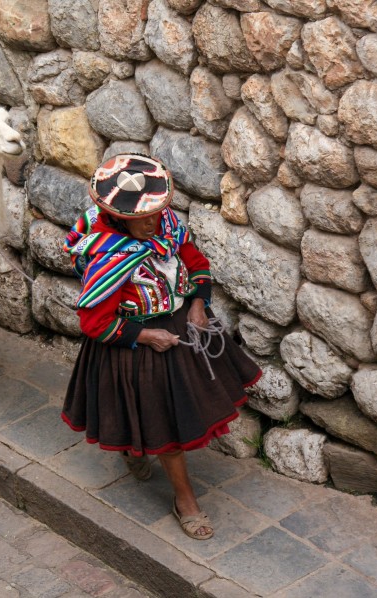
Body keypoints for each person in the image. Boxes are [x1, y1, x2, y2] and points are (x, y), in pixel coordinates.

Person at [62, 154, 262, 540]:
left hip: (179, 328)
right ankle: (185, 499)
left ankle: (135, 448)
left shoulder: (167, 225)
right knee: (163, 422)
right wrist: (145, 336)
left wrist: (198, 304)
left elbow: (196, 262)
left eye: (157, 212)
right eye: (144, 217)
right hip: (133, 340)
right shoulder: (109, 255)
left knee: (164, 413)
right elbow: (94, 322)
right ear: (120, 217)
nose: (154, 221)